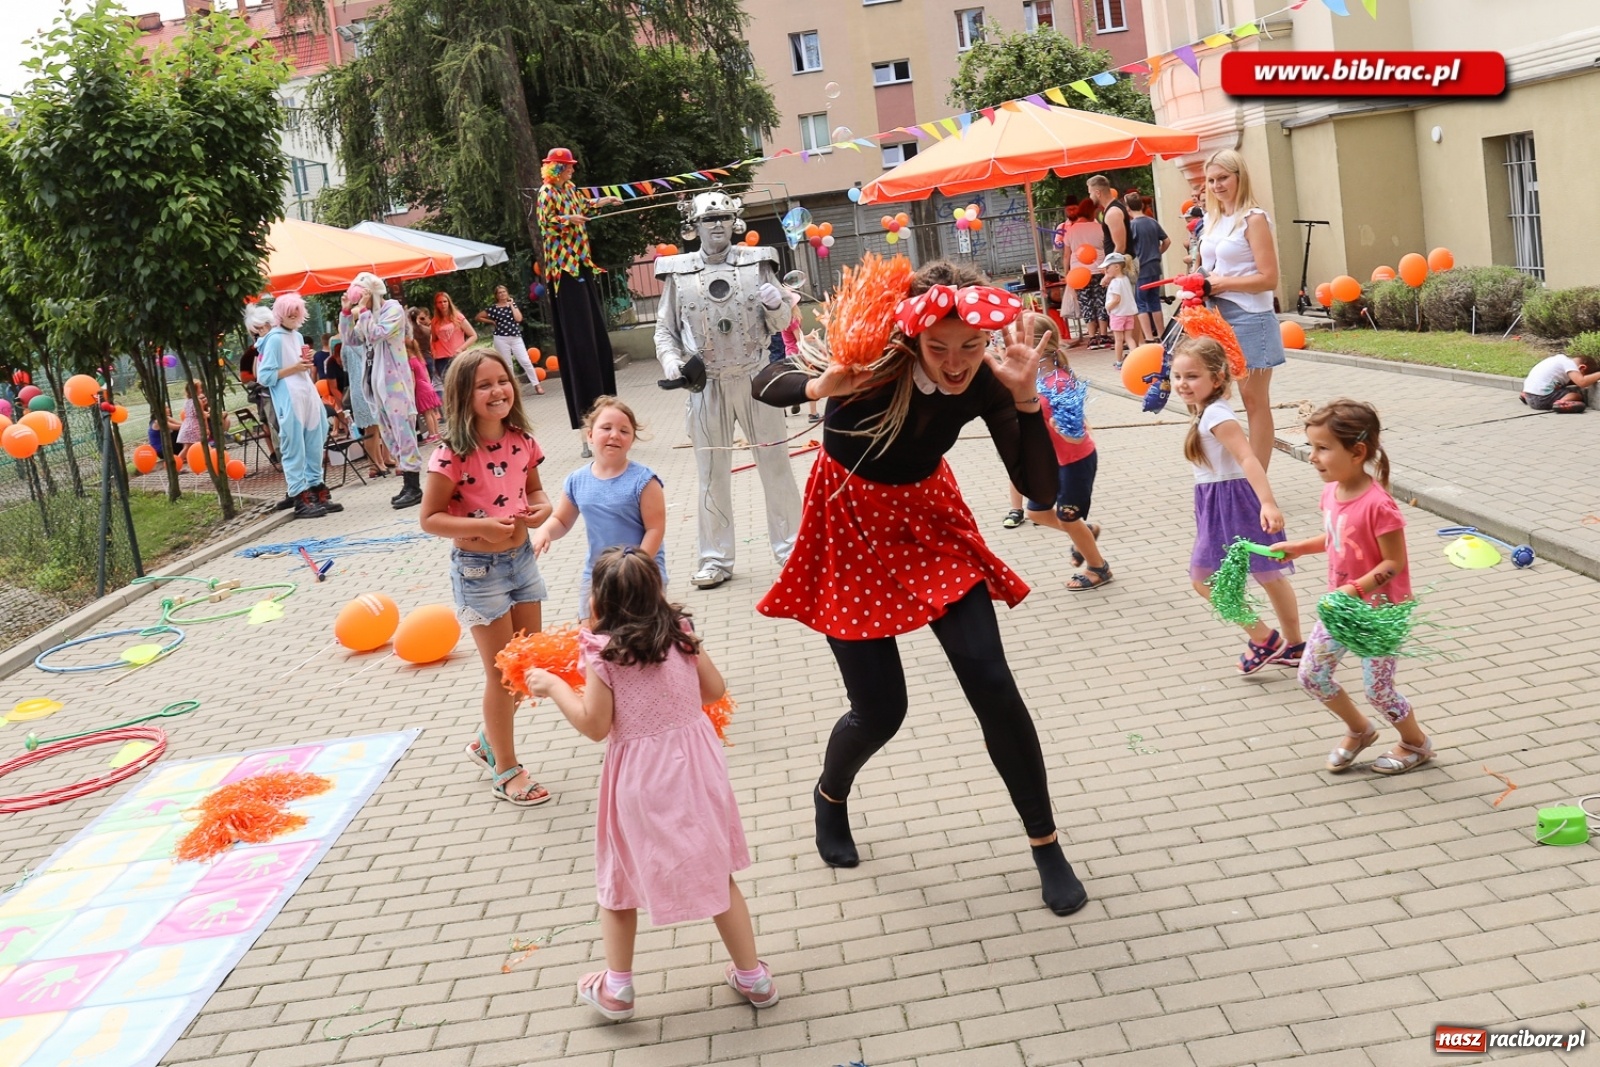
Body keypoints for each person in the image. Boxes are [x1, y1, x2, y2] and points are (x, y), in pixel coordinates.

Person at [750, 259, 1088, 917]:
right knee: (881, 710)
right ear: (912, 337)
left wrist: (1024, 399)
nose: (957, 362)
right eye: (940, 347)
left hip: (929, 523)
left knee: (991, 678)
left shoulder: (986, 381)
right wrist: (823, 382)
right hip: (847, 523)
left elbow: (1045, 493)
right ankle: (830, 795)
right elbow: (767, 376)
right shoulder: (870, 359)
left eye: (972, 345)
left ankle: (1045, 842)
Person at [521, 547, 774, 1022]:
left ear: (601, 600)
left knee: (619, 878)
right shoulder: (680, 633)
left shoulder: (604, 653)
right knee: (717, 871)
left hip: (641, 776)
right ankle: (754, 978)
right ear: (655, 590)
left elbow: (596, 726)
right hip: (697, 768)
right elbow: (715, 691)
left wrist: (555, 687)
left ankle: (617, 990)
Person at [420, 348, 554, 807]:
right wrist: (478, 526)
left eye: (502, 381)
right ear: (463, 395)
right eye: (484, 385)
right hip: (479, 572)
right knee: (502, 676)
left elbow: (533, 490)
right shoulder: (450, 455)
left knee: (527, 667)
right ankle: (506, 769)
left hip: (520, 561)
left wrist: (544, 509)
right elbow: (431, 518)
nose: (497, 390)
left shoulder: (521, 440)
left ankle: (486, 742)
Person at [1278, 400, 1436, 775]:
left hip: (1380, 613)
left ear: (1357, 452)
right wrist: (1299, 546)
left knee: (1378, 690)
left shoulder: (1380, 505)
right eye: (1312, 446)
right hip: (1342, 608)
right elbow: (1337, 538)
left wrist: (1354, 589)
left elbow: (1392, 562)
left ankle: (1416, 744)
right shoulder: (1331, 492)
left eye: (1323, 448)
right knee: (1312, 675)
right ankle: (1359, 730)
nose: (1312, 456)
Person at [653, 190, 802, 589]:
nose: (716, 225)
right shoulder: (678, 273)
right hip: (706, 385)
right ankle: (715, 558)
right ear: (694, 226)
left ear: (735, 222)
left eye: (722, 217)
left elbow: (781, 322)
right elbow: (664, 331)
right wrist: (673, 365)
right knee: (711, 474)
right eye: (708, 219)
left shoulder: (758, 263)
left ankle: (792, 550)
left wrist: (775, 306)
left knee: (776, 467)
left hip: (757, 379)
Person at [1171, 336, 1302, 673]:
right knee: (1268, 573)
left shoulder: (1215, 415)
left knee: (1203, 579)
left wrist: (1268, 502)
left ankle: (1264, 638)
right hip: (1219, 500)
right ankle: (1295, 645)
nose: (1182, 384)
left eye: (1192, 376)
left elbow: (1247, 457)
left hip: (1229, 502)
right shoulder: (1208, 410)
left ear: (1217, 378)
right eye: (1177, 376)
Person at [531, 397, 667, 622]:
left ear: (632, 440)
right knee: (591, 633)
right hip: (598, 573)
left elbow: (655, 529)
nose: (615, 435)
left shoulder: (644, 481)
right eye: (606, 428)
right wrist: (545, 531)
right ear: (590, 435)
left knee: (641, 634)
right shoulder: (577, 480)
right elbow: (562, 521)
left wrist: (636, 566)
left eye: (624, 431)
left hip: (641, 570)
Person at [1196, 149, 1286, 471]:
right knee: (1211, 397)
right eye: (1211, 179)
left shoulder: (1254, 218)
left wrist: (1225, 283)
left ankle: (1256, 478)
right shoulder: (1213, 219)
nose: (1217, 185)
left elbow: (1269, 278)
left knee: (1254, 402)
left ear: (1239, 178)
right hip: (1213, 316)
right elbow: (1211, 269)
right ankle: (1229, 471)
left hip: (1250, 317)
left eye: (1223, 178)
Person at [1008, 314, 1111, 589]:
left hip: (1075, 461)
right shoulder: (1028, 377)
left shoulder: (1059, 382)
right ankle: (1085, 534)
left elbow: (1078, 435)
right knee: (1036, 513)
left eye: (1016, 337)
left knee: (1068, 516)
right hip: (1050, 462)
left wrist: (1063, 430)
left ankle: (1098, 568)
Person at [537, 147, 625, 444]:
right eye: (568, 167)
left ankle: (605, 410)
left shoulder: (571, 189)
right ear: (556, 169)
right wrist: (567, 220)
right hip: (563, 270)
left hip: (583, 265)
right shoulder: (546, 193)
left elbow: (584, 205)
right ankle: (584, 421)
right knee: (579, 344)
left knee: (596, 339)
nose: (573, 171)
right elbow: (545, 224)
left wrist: (604, 201)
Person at [253, 295, 338, 519]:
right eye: (289, 311)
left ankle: (315, 488)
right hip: (289, 398)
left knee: (314, 442)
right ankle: (300, 496)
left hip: (307, 394)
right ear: (280, 313)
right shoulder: (274, 339)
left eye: (297, 311)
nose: (293, 315)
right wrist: (294, 367)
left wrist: (303, 365)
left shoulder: (297, 335)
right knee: (294, 446)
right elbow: (264, 376)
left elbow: (299, 367)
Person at [349, 272, 424, 508]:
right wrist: (345, 314)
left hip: (395, 384)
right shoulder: (366, 315)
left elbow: (376, 334)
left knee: (403, 431)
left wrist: (362, 312)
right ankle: (406, 484)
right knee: (390, 434)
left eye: (361, 294)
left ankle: (414, 486)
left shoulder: (393, 309)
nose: (358, 300)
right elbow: (353, 340)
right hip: (375, 385)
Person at [340, 286, 393, 479]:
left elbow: (345, 366)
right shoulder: (356, 340)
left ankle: (382, 460)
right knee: (372, 427)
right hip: (362, 386)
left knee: (378, 425)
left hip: (362, 385)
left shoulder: (349, 344)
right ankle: (374, 463)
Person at [475, 284, 545, 397]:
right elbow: (478, 316)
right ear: (496, 295)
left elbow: (518, 319)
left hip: (515, 336)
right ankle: (513, 388)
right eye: (500, 293)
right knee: (508, 364)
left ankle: (536, 384)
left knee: (525, 361)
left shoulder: (512, 305)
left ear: (507, 293)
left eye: (504, 292)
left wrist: (512, 304)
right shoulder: (493, 308)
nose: (502, 294)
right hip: (501, 338)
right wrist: (492, 322)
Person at [1089, 177, 1131, 348]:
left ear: (1098, 192)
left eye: (1090, 191)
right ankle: (1134, 345)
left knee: (1127, 310)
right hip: (1119, 266)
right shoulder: (1111, 210)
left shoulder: (1113, 212)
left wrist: (1109, 272)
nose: (1089, 195)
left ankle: (1134, 345)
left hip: (1122, 266)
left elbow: (1120, 245)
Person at [1125, 192, 1171, 342]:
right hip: (1155, 266)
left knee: (1141, 303)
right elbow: (1167, 241)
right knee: (1154, 301)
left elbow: (1128, 247)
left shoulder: (1132, 225)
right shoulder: (1152, 222)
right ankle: (1162, 333)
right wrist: (1157, 254)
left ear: (1127, 208)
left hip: (1141, 268)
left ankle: (1149, 337)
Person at [1066, 198, 1106, 348]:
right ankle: (1103, 335)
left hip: (1078, 272)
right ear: (1092, 211)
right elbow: (1106, 247)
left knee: (1086, 303)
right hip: (1099, 268)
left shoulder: (1072, 230)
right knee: (1100, 300)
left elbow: (1066, 254)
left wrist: (1067, 273)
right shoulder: (1099, 228)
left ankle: (1092, 338)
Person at [1520, 351, 1600, 412]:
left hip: (1529, 395)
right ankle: (1561, 403)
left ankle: (1524, 396)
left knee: (1563, 388)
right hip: (1542, 399)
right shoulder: (1570, 365)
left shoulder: (1557, 360)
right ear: (1582, 368)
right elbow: (1582, 382)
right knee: (1576, 395)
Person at [428, 294, 476, 389]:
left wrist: (461, 348)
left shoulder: (458, 317)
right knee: (449, 386)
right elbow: (433, 339)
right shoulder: (434, 321)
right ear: (436, 305)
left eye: (445, 301)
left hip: (457, 356)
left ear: (449, 302)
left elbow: (473, 335)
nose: (443, 304)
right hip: (441, 358)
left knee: (464, 383)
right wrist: (432, 349)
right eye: (440, 302)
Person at [1102, 253, 1137, 367]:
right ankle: (1136, 357)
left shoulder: (1115, 282)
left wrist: (1108, 306)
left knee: (1118, 339)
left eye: (1108, 267)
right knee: (1129, 338)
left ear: (1116, 267)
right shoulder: (1125, 279)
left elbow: (1116, 299)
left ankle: (1119, 361)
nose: (1106, 270)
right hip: (1129, 313)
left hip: (1117, 314)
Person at [408, 336, 442, 441]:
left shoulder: (410, 362)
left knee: (427, 413)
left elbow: (412, 380)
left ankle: (432, 434)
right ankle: (436, 432)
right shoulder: (420, 358)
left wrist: (411, 392)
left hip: (420, 388)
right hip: (427, 386)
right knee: (431, 412)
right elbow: (427, 374)